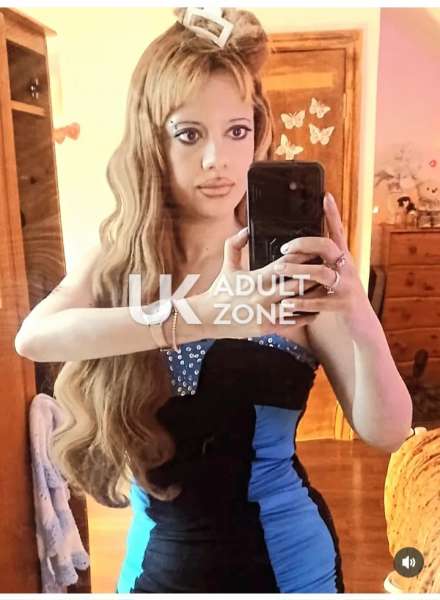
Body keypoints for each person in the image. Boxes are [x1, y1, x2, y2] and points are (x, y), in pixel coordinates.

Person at [15, 7, 413, 594]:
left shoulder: (287, 268)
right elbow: (35, 336)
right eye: (189, 134)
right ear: (153, 139)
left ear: (258, 133)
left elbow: (388, 430)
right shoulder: (124, 258)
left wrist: (357, 312)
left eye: (237, 131)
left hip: (287, 564)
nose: (217, 160)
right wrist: (199, 316)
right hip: (154, 565)